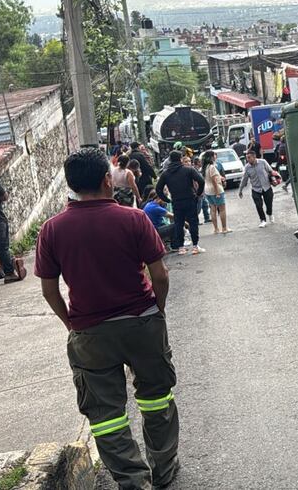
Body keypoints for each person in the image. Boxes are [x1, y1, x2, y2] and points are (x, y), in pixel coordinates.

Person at [34, 148, 179, 489]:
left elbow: (49, 290)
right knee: (157, 398)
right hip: (142, 321)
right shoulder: (133, 218)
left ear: (72, 186)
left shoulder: (52, 230)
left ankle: (133, 480)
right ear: (105, 180)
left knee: (106, 416)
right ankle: (163, 469)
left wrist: (72, 324)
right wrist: (156, 311)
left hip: (90, 332)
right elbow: (160, 275)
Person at [155, 151, 206, 255]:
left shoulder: (166, 173)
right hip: (190, 199)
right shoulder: (188, 170)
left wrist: (166, 199)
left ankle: (181, 247)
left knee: (178, 223)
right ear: (180, 159)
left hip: (176, 201)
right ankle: (195, 246)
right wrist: (198, 193)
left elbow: (158, 188)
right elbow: (201, 181)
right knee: (193, 222)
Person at [238, 150, 276, 228]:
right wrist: (240, 190)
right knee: (258, 205)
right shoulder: (247, 167)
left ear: (254, 157)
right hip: (256, 189)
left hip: (266, 187)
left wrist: (274, 180)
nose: (247, 159)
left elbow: (270, 171)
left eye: (249, 158)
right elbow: (244, 179)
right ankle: (263, 220)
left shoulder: (263, 162)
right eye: (247, 158)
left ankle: (270, 213)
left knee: (269, 204)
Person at [201, 150, 231, 234]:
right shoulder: (212, 167)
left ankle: (216, 229)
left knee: (212, 210)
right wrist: (217, 192)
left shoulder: (205, 167)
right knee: (222, 209)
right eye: (214, 155)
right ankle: (224, 228)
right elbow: (214, 180)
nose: (215, 157)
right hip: (215, 189)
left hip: (208, 190)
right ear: (211, 157)